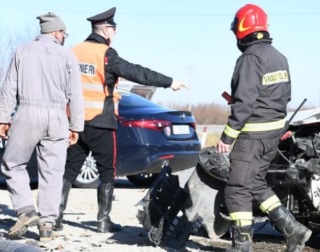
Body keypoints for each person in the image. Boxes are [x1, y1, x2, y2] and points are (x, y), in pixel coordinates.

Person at [54, 7, 188, 233]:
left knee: (69, 169)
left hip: (74, 123)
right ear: (106, 29)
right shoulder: (106, 55)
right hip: (101, 122)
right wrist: (169, 81)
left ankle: (55, 217)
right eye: (114, 29)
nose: (115, 34)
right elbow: (138, 72)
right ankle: (103, 221)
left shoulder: (73, 51)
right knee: (107, 170)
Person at [216, 4, 311, 252]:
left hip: (252, 135)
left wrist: (227, 136)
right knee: (256, 183)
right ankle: (294, 230)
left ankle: (242, 245)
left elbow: (245, 102)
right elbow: (283, 96)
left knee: (237, 188)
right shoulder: (279, 57)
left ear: (241, 28)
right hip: (272, 134)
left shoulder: (249, 58)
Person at [0, 12, 84, 242]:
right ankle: (47, 224)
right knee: (52, 172)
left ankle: (26, 210)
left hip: (27, 113)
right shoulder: (67, 55)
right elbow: (75, 94)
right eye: (64, 33)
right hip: (57, 118)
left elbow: (9, 88)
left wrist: (3, 118)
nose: (64, 37)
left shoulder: (22, 51)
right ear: (56, 32)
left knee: (13, 163)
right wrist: (76, 126)